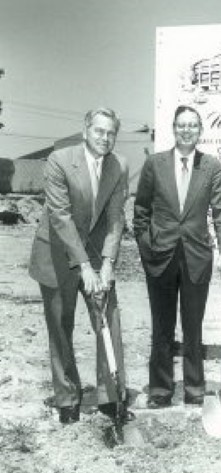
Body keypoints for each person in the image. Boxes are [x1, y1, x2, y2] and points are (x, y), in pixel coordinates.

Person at [29, 107, 133, 425]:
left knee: (108, 319)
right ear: (85, 129)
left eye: (111, 133)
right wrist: (85, 266)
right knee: (61, 326)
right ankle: (68, 398)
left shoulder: (120, 165)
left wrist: (108, 264)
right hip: (57, 253)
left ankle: (110, 397)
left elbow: (116, 218)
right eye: (99, 131)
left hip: (97, 253)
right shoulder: (60, 160)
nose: (105, 138)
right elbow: (60, 216)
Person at [133, 105, 221, 408]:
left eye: (192, 126)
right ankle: (161, 390)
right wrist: (146, 246)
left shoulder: (211, 166)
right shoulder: (154, 164)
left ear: (200, 130)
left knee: (193, 326)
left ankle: (194, 388)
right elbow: (141, 212)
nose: (186, 131)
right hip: (160, 257)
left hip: (196, 257)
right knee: (161, 325)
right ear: (173, 129)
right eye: (181, 125)